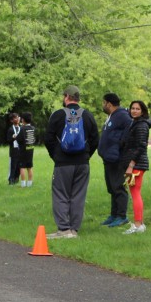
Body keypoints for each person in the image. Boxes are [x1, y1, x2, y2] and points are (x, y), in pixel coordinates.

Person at [43, 85, 100, 239]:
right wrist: (86, 155)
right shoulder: (87, 115)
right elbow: (95, 139)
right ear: (78, 98)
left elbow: (48, 138)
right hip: (82, 163)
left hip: (63, 163)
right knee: (78, 195)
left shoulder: (57, 115)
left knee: (60, 194)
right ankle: (74, 229)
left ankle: (63, 229)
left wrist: (56, 156)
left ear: (67, 96)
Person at [97, 93, 131, 227]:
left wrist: (119, 144)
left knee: (118, 187)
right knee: (112, 187)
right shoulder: (112, 116)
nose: (103, 105)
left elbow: (130, 131)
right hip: (108, 158)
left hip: (117, 158)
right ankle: (114, 214)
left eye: (103, 103)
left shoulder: (122, 115)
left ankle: (122, 216)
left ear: (109, 104)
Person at [121, 100, 151, 235]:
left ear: (143, 111)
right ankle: (139, 223)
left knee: (135, 193)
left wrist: (131, 165)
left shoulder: (141, 126)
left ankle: (138, 225)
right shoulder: (135, 123)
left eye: (137, 109)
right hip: (134, 163)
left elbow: (141, 146)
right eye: (132, 108)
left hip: (137, 164)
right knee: (134, 192)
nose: (134, 111)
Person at [18, 111, 36, 188]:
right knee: (29, 167)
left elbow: (19, 139)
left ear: (23, 120)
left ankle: (23, 185)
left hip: (23, 150)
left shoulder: (22, 129)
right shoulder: (33, 128)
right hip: (30, 149)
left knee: (22, 167)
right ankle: (29, 184)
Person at [5, 112, 21, 185]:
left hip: (20, 150)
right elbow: (8, 140)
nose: (17, 119)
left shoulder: (21, 128)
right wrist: (13, 137)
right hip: (13, 151)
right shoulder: (11, 129)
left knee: (19, 166)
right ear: (11, 120)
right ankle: (11, 179)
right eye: (15, 118)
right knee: (13, 166)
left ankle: (16, 178)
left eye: (17, 117)